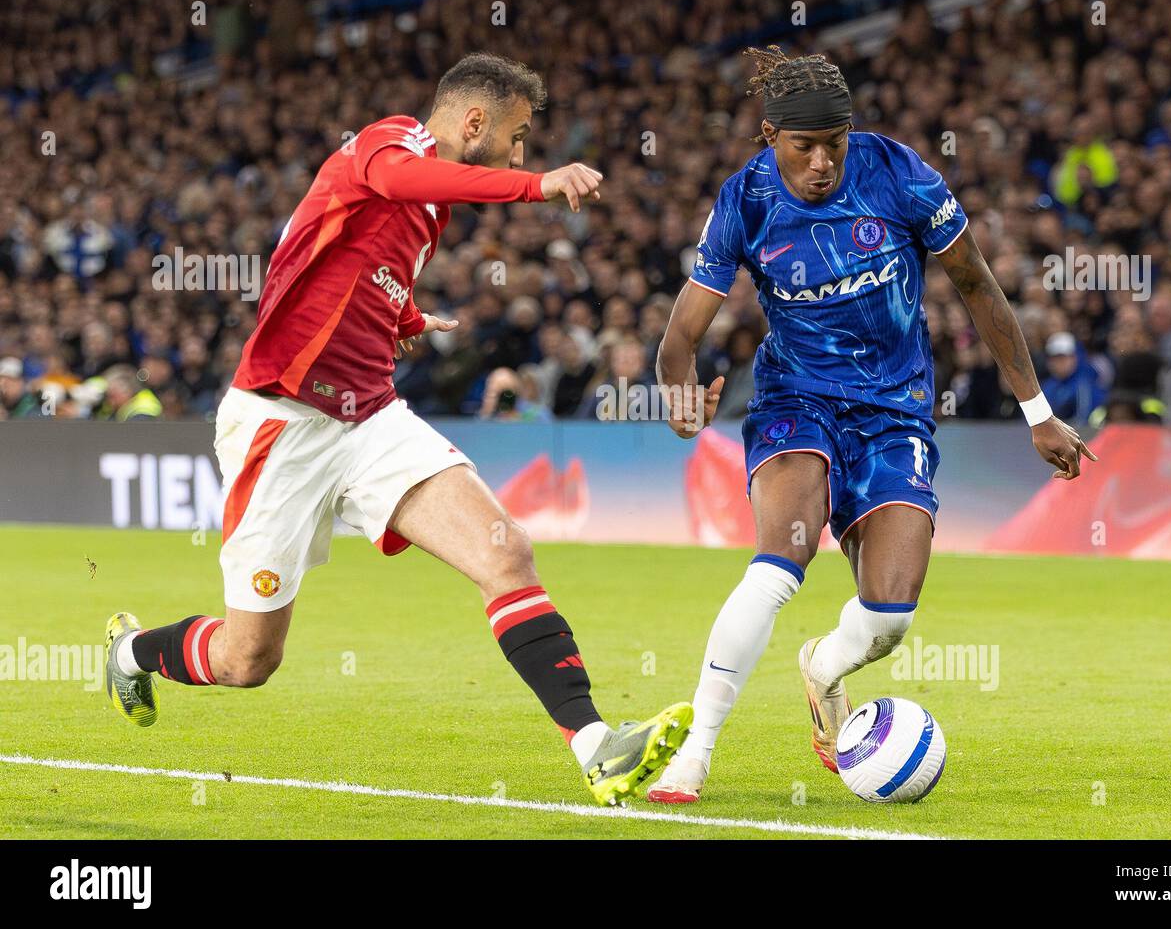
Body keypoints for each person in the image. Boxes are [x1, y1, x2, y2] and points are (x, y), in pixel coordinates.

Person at [101, 52, 690, 807]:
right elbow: (397, 180)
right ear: (472, 122)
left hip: (370, 417)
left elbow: (358, 270)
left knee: (506, 552)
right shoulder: (387, 144)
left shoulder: (428, 212)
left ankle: (597, 747)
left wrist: (409, 317)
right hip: (281, 422)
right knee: (249, 659)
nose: (519, 153)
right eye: (515, 137)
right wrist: (533, 187)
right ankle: (133, 651)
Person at [649, 46, 1095, 803]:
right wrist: (678, 390)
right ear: (769, 135)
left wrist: (1039, 412)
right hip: (796, 399)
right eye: (804, 146)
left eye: (836, 142)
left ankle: (823, 667)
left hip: (895, 411)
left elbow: (977, 286)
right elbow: (681, 334)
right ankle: (697, 749)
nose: (822, 161)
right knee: (777, 565)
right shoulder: (746, 200)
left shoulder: (901, 175)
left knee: (891, 614)